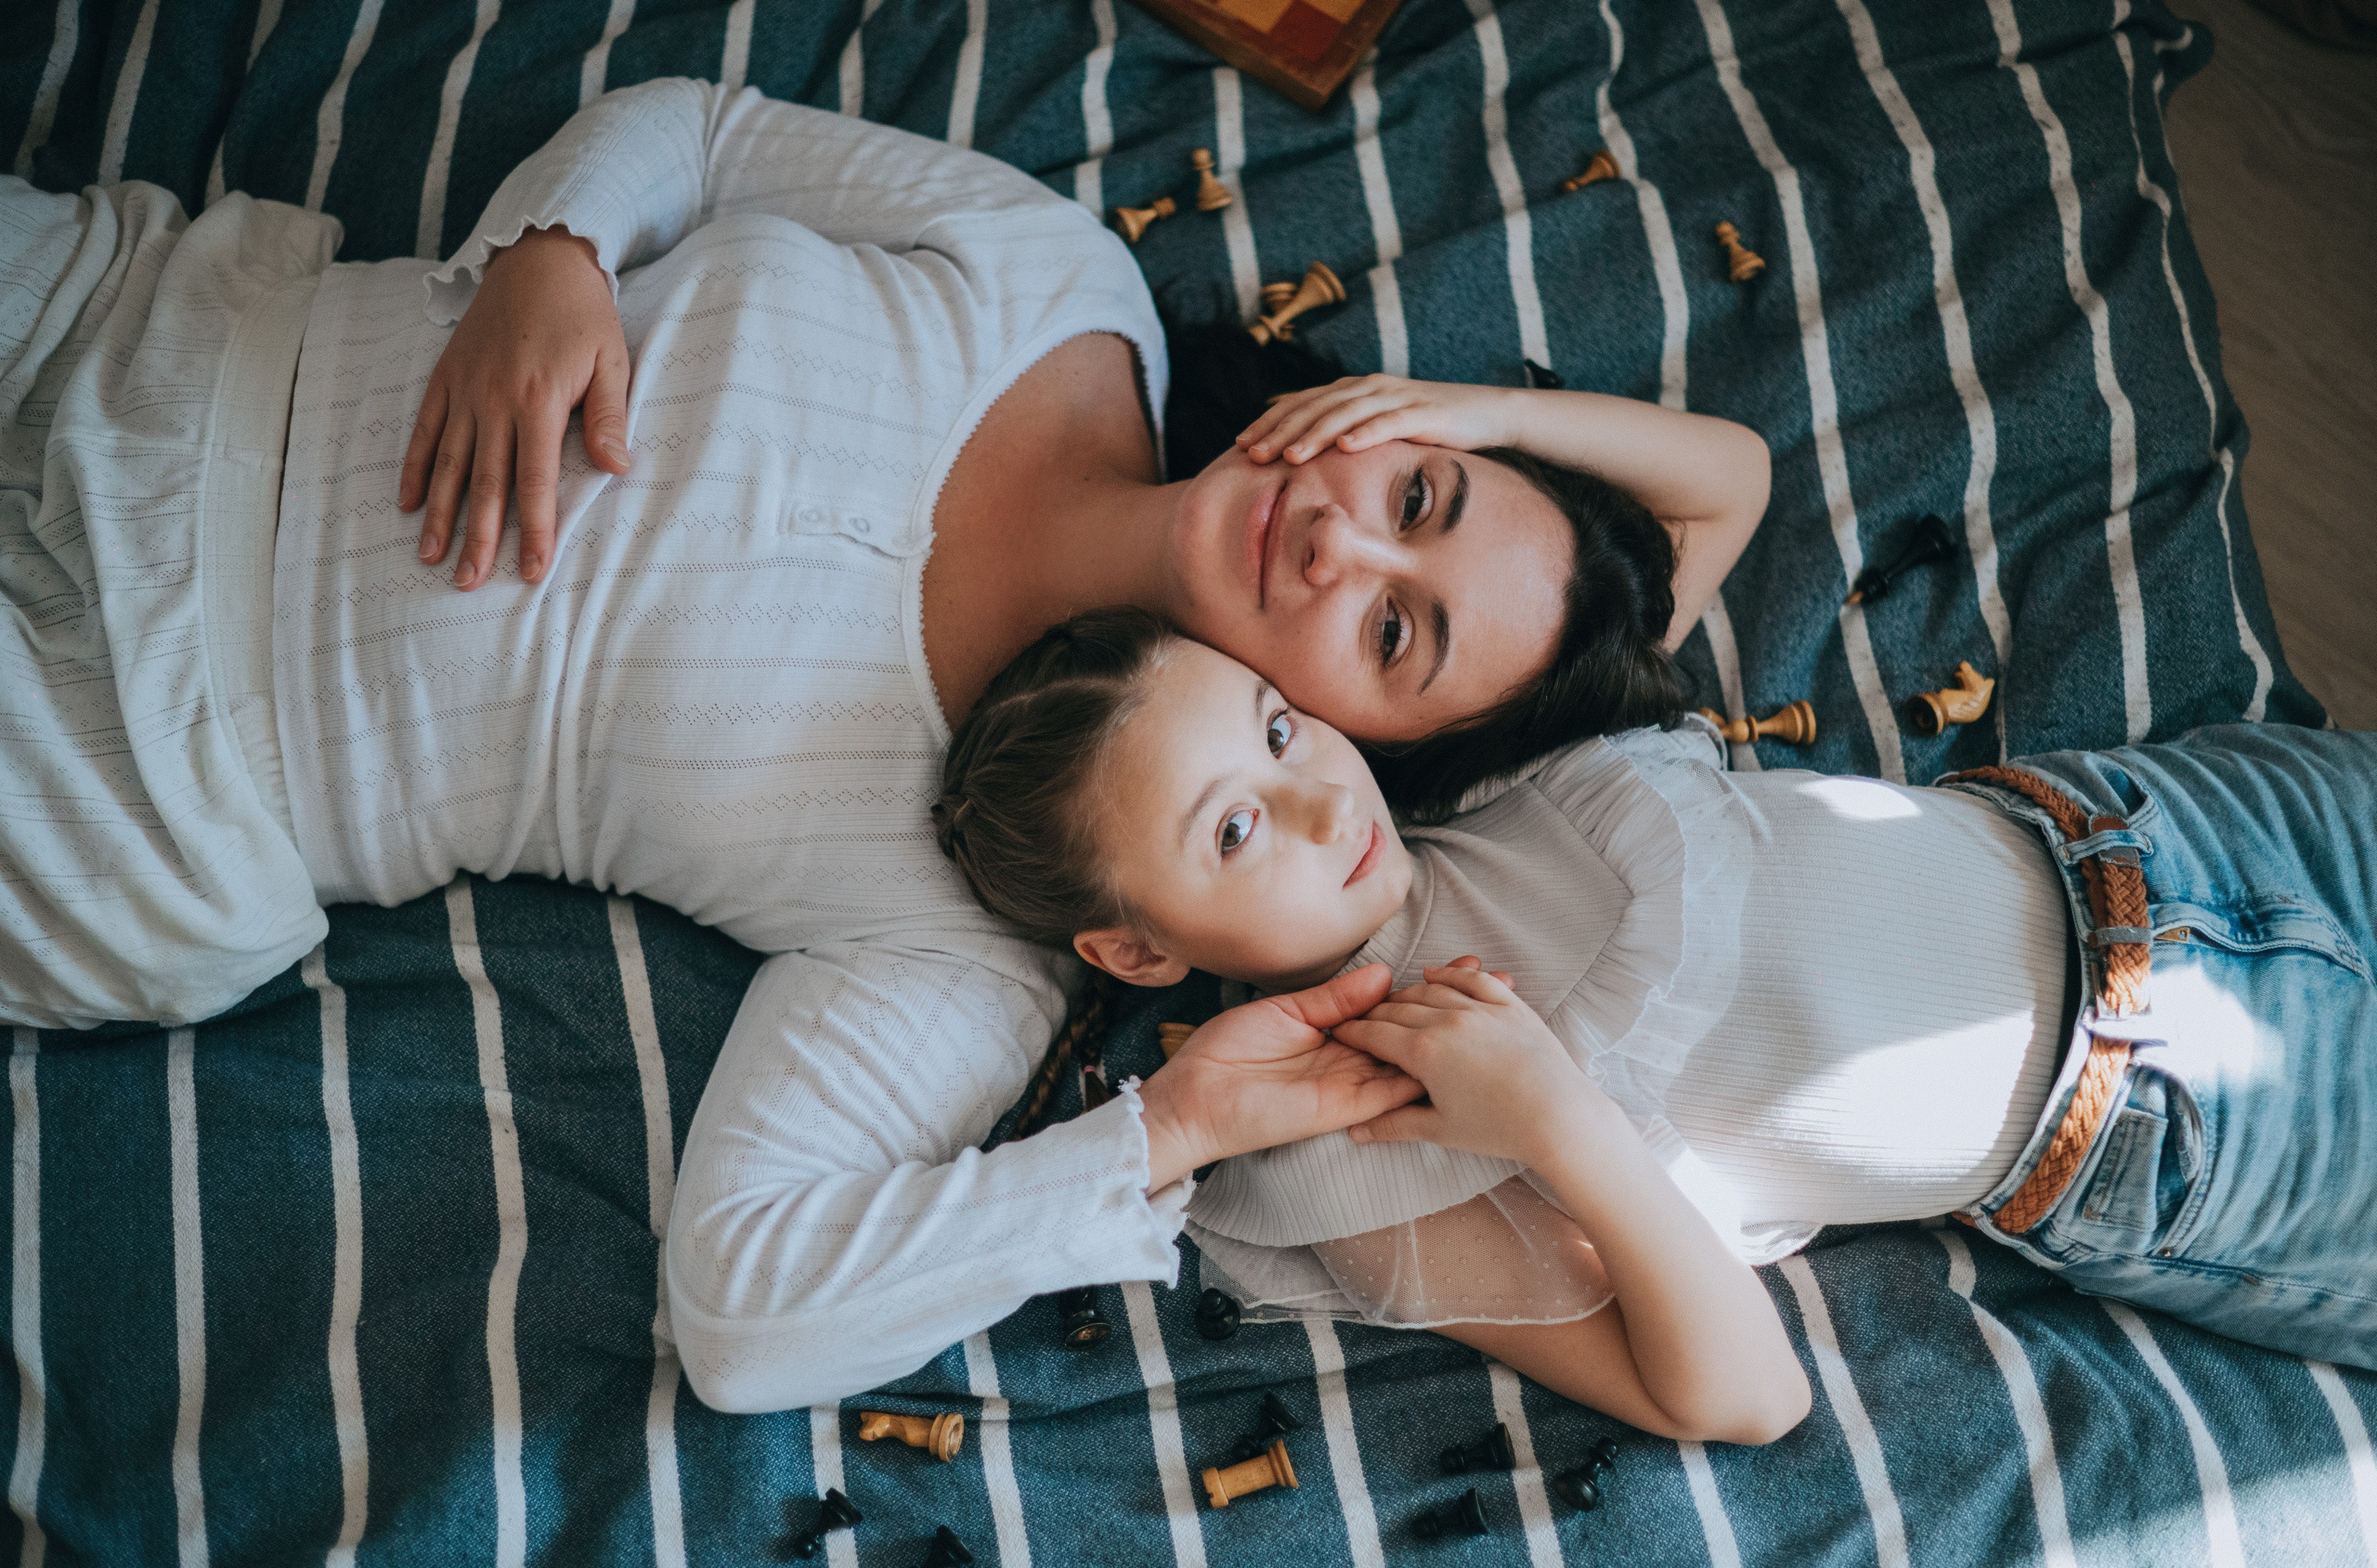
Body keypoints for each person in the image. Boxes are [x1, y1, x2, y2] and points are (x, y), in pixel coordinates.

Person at [0, 77, 1770, 1410]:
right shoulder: (1057, 283)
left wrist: (1152, 1137)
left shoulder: (979, 903)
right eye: (1415, 490)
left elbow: (746, 1315)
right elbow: (695, 131)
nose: (1339, 538)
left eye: (1394, 632)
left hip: (145, 775)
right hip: (160, 320)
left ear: (1379, 756)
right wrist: (551, 251)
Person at [933, 608, 2377, 1438]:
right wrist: (1561, 1124)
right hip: (2190, 1121)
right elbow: (1744, 1398)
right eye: (1238, 826)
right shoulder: (1340, 1166)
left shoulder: (1453, 756)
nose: (1320, 792)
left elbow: (1711, 485)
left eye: (1273, 723)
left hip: (2164, 821)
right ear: (1131, 946)